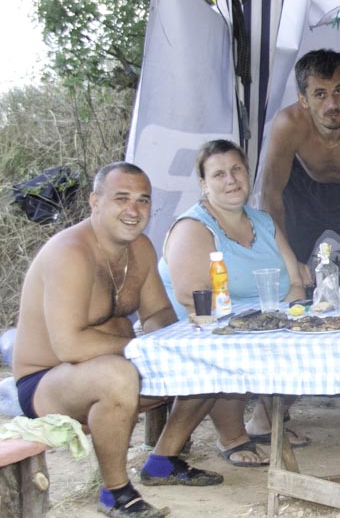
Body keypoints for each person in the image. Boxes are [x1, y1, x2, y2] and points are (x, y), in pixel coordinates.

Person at [13, 162, 222, 518]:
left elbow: (158, 314)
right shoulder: (71, 252)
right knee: (117, 376)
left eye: (143, 200)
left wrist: (176, 345)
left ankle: (163, 461)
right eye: (121, 198)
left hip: (118, 363)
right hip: (47, 381)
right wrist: (140, 347)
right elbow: (69, 346)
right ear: (95, 202)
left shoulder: (140, 248)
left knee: (210, 357)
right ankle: (116, 493)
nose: (133, 210)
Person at [158, 140, 309, 467]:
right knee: (231, 348)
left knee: (309, 337)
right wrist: (258, 324)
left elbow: (296, 280)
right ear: (204, 184)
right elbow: (193, 298)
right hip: (208, 327)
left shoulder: (263, 221)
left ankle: (264, 421)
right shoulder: (193, 226)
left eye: (237, 169)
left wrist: (288, 318)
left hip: (263, 321)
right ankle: (230, 436)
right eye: (219, 174)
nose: (231, 180)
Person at [262, 49, 340, 275]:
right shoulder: (288, 125)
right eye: (320, 94)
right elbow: (271, 194)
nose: (332, 104)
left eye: (339, 91)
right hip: (301, 191)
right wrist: (284, 257)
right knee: (288, 274)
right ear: (303, 99)